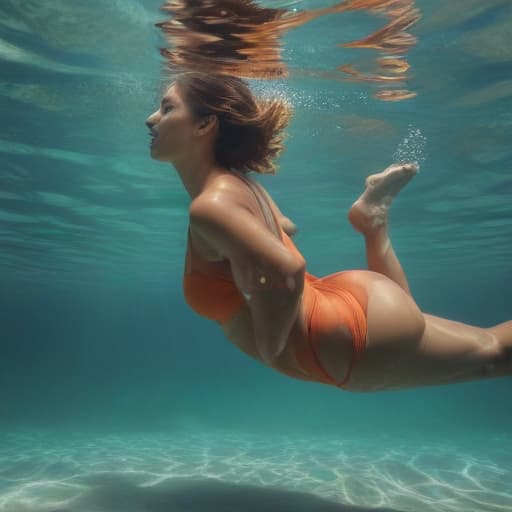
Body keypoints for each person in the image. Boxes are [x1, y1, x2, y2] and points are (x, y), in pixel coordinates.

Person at [145, 71, 512, 392]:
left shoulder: (211, 205)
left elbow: (287, 271)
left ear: (205, 125)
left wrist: (273, 352)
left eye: (167, 108)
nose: (152, 119)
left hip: (340, 339)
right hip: (346, 312)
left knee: (494, 354)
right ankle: (373, 223)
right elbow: (284, 228)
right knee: (490, 349)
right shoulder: (239, 186)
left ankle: (374, 223)